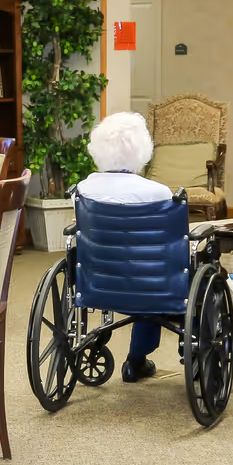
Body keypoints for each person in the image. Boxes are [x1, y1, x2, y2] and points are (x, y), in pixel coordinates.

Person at [73, 112, 174, 383]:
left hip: (97, 281)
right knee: (160, 274)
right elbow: (169, 246)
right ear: (143, 150)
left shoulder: (83, 190)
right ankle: (136, 360)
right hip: (149, 286)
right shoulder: (159, 193)